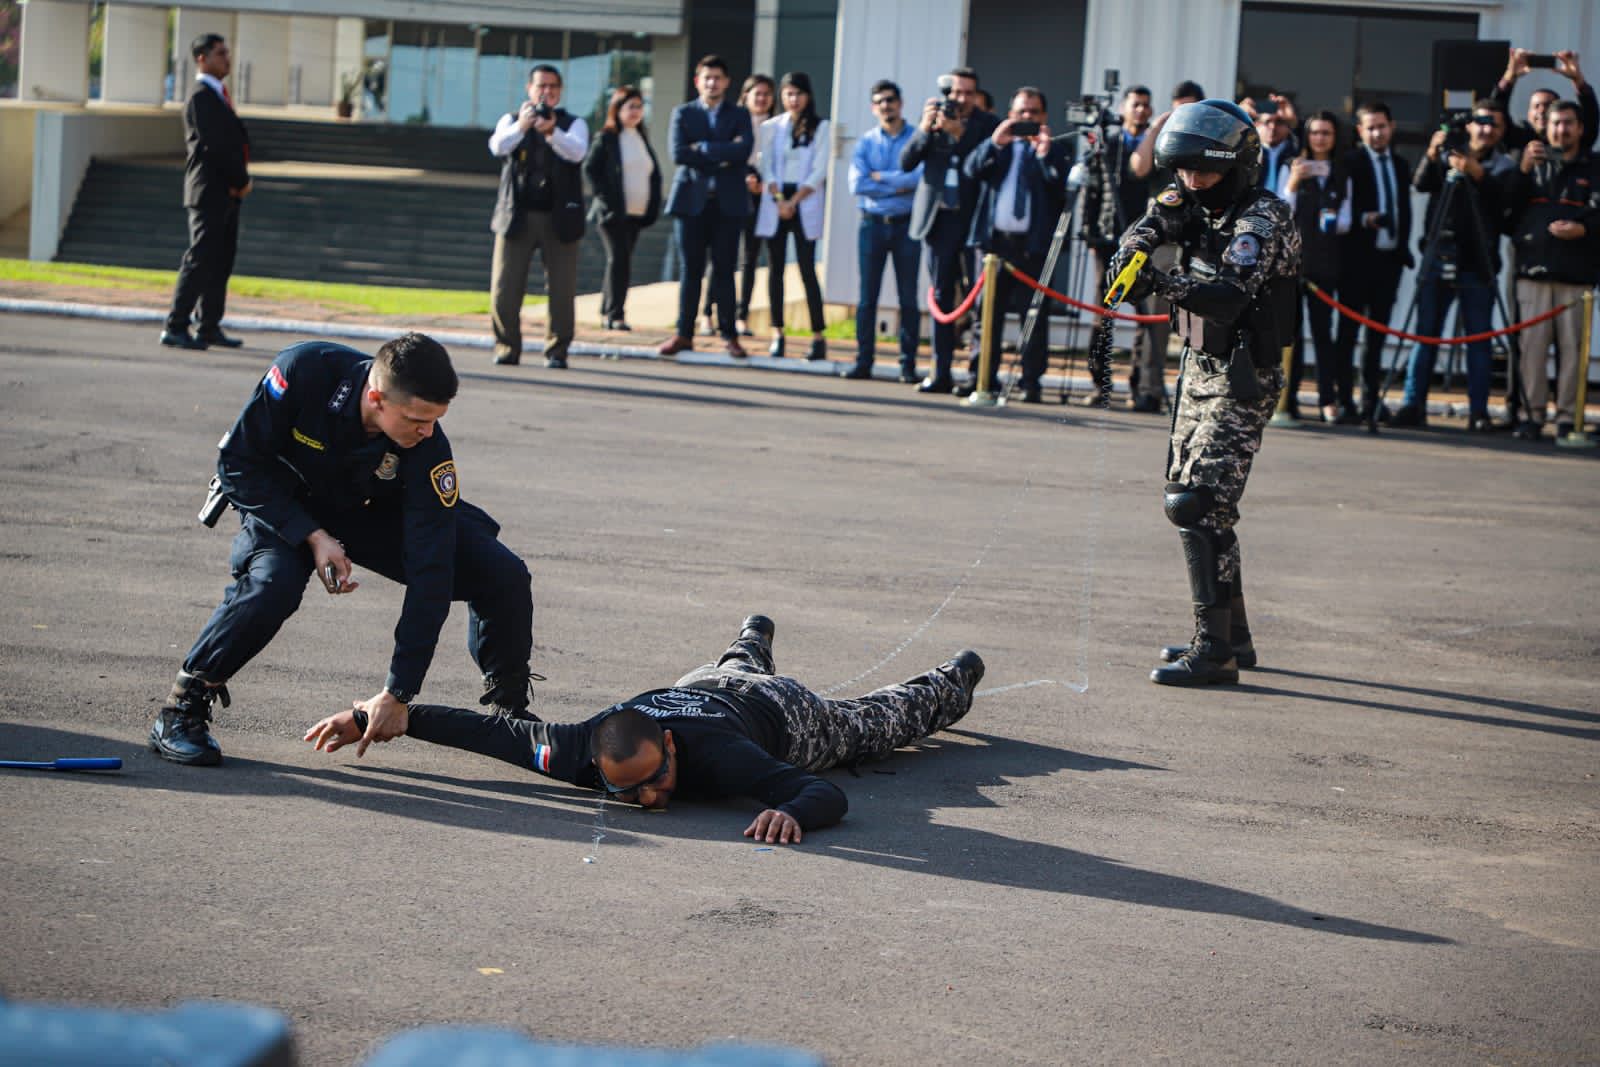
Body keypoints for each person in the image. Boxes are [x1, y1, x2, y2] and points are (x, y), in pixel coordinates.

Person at [149, 334, 538, 766]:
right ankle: (183, 706)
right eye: (416, 420)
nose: (427, 431)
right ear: (376, 398)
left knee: (502, 572)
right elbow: (238, 463)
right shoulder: (303, 371)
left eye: (435, 420)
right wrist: (312, 536)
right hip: (287, 502)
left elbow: (432, 570)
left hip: (370, 509)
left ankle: (510, 712)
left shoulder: (427, 443)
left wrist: (398, 691)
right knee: (273, 582)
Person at [305, 615, 985, 843]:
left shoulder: (721, 759)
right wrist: (379, 715)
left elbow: (825, 794)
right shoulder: (576, 748)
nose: (650, 799)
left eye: (655, 780)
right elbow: (486, 732)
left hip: (781, 714)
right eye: (626, 792)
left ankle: (951, 679)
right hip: (698, 684)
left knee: (871, 724)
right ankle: (751, 637)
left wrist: (789, 808)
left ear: (667, 748)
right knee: (729, 668)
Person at [1105, 100, 1300, 686]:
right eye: (1184, 171)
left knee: (1198, 505)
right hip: (1197, 366)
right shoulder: (1190, 199)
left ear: (1236, 166)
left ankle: (1213, 652)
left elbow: (1229, 295)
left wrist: (1161, 280)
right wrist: (1134, 251)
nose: (1192, 182)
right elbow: (1152, 223)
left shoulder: (1262, 219)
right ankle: (1233, 635)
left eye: (1204, 172)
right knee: (1187, 496)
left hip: (1242, 374)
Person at [1391, 103, 1514, 431]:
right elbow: (1421, 184)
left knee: (1479, 339)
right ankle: (1412, 405)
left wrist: (1476, 172)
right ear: (1469, 126)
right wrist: (1433, 153)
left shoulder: (1503, 165)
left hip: (1478, 263)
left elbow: (1504, 202)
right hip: (1438, 256)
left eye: (1493, 124)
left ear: (1501, 131)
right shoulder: (1448, 154)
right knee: (1425, 335)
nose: (1485, 129)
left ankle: (1478, 411)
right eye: (1480, 121)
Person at [960, 87, 1069, 403]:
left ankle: (1030, 382)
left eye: (1033, 113)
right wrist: (996, 141)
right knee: (986, 317)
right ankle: (980, 377)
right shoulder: (999, 147)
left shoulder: (1054, 150)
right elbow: (971, 170)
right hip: (995, 246)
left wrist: (1044, 152)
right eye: (1021, 113)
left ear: (1044, 117)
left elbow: (1060, 186)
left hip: (1032, 247)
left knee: (1033, 316)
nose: (1027, 119)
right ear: (1010, 115)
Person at [1503, 100, 1600, 441]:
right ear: (1545, 128)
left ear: (1581, 128)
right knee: (1531, 351)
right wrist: (1524, 171)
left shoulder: (1594, 167)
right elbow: (1506, 212)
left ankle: (1566, 418)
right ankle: (1531, 416)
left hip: (1577, 278)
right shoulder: (1530, 165)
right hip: (1533, 274)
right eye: (1556, 123)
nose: (1562, 129)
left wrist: (1584, 230)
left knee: (1574, 353)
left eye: (1569, 123)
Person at [902, 67, 1000, 393]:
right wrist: (923, 129)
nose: (960, 99)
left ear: (977, 95)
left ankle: (977, 375)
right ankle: (939, 372)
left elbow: (985, 164)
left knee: (978, 298)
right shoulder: (933, 119)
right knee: (942, 295)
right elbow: (906, 161)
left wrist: (960, 135)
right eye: (956, 92)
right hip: (939, 218)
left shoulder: (987, 124)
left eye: (968, 93)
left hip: (972, 219)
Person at [488, 64, 589, 369]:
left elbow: (577, 152)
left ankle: (557, 350)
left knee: (562, 290)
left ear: (560, 92)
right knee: (504, 288)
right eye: (540, 86)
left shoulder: (573, 123)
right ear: (529, 90)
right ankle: (507, 347)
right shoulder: (511, 120)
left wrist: (551, 132)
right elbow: (497, 146)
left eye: (552, 87)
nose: (546, 92)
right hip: (516, 216)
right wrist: (523, 126)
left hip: (560, 219)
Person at [659, 56, 755, 360]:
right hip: (691, 204)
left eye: (718, 77)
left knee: (725, 270)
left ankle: (729, 335)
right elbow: (678, 153)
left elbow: (743, 150)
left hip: (727, 204)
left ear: (727, 82)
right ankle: (683, 333)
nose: (712, 83)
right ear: (697, 81)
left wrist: (702, 148)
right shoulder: (683, 113)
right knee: (691, 271)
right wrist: (722, 153)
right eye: (707, 78)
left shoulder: (740, 115)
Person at [160, 33, 250, 352]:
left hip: (227, 192)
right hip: (209, 191)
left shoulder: (219, 96)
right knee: (200, 259)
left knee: (220, 261)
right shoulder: (201, 96)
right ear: (202, 58)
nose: (227, 58)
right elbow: (214, 146)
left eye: (227, 52)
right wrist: (240, 178)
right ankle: (176, 325)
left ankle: (209, 325)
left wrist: (238, 183)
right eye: (220, 53)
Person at [1083, 85, 1169, 412]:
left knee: (1146, 315)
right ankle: (1099, 383)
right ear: (1123, 108)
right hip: (1107, 239)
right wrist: (1090, 233)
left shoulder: (1156, 148)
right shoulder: (1108, 145)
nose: (1142, 111)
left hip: (1143, 237)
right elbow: (1094, 190)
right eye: (1136, 105)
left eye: (1147, 105)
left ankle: (1140, 386)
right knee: (1103, 313)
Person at [1333, 102, 1413, 424]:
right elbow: (1340, 208)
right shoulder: (1350, 162)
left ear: (1391, 127)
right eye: (1370, 128)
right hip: (1356, 260)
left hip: (1389, 261)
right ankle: (1343, 400)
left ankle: (1370, 400)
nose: (1377, 133)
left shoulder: (1401, 164)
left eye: (1382, 126)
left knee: (1377, 336)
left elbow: (1404, 207)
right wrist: (1363, 219)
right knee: (1348, 333)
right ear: (1360, 132)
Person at [842, 78, 924, 383]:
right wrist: (898, 182)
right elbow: (857, 184)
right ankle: (864, 362)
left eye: (890, 100)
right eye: (879, 101)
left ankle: (908, 365)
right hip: (872, 226)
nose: (885, 106)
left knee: (908, 298)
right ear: (873, 108)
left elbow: (919, 179)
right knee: (867, 299)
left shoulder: (917, 138)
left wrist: (881, 180)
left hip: (906, 227)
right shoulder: (865, 142)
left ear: (900, 103)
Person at [1278, 111, 1353, 422]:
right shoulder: (1291, 166)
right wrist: (1295, 181)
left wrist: (1332, 219)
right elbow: (1282, 210)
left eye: (1327, 133)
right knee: (1290, 335)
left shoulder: (1341, 173)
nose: (1320, 138)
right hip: (1294, 264)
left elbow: (1347, 220)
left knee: (1324, 334)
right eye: (1316, 132)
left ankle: (1327, 399)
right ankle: (1287, 399)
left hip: (1325, 263)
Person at [756, 71, 831, 361]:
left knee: (806, 268)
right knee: (775, 270)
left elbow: (819, 170)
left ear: (807, 96)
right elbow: (767, 165)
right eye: (788, 93)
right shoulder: (771, 126)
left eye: (798, 93)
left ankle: (817, 335)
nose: (793, 99)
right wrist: (779, 200)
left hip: (804, 198)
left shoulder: (821, 127)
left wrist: (794, 201)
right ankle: (778, 332)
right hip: (776, 200)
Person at [702, 75, 775, 339]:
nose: (762, 98)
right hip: (731, 191)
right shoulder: (733, 121)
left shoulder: (776, 126)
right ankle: (708, 313)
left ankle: (742, 315)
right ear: (745, 95)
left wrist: (762, 183)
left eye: (767, 94)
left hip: (761, 194)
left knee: (751, 257)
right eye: (757, 93)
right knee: (721, 256)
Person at [584, 85, 662, 332]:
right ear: (617, 109)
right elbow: (590, 169)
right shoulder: (607, 138)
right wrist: (605, 197)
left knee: (622, 260)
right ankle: (615, 314)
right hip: (612, 213)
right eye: (630, 107)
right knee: (619, 260)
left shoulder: (641, 137)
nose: (636, 112)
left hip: (636, 214)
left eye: (639, 107)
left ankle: (608, 308)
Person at [1491, 48, 1597, 153]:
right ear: (1528, 114)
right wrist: (1510, 75)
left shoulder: (1572, 141)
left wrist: (1578, 79)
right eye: (1536, 106)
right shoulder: (1516, 139)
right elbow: (1496, 111)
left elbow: (1591, 117)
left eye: (1548, 105)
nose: (1541, 110)